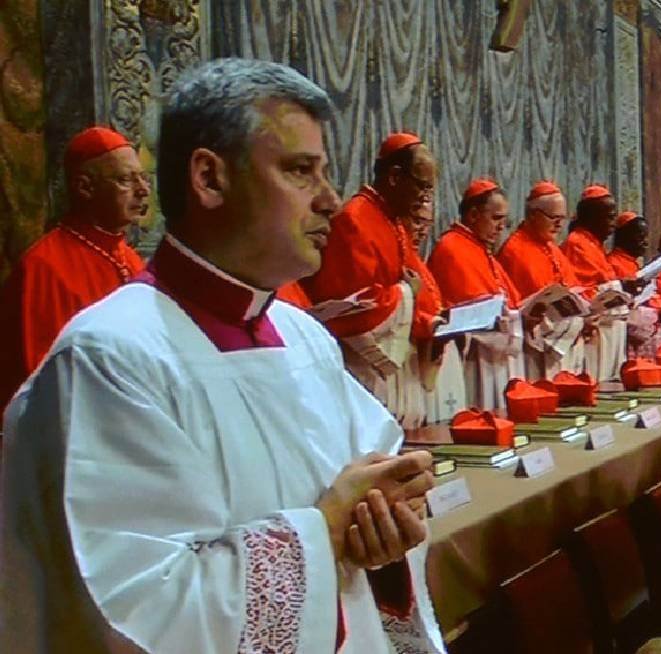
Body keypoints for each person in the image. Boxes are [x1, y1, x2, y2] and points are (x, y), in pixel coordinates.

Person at [0, 58, 446, 654]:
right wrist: (327, 529)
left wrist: (390, 524)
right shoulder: (110, 357)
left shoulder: (302, 334)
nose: (331, 202)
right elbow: (132, 612)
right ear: (209, 179)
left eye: (325, 173)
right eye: (299, 171)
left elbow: (380, 477)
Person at [0, 126, 149, 410]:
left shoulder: (130, 260)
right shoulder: (44, 269)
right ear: (85, 187)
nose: (142, 190)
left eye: (142, 178)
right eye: (125, 180)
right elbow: (40, 385)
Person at [302, 131, 434, 427]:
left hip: (397, 369)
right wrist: (406, 295)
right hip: (364, 370)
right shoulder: (355, 219)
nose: (425, 197)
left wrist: (430, 319)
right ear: (395, 177)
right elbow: (352, 307)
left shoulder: (393, 221)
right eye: (422, 186)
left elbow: (418, 285)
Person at [428, 178, 524, 411]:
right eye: (496, 218)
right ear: (472, 215)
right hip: (475, 359)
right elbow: (464, 312)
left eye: (505, 220)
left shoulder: (481, 249)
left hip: (496, 357)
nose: (502, 227)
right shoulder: (451, 248)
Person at [497, 181, 586, 379]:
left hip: (564, 343)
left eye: (562, 218)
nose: (559, 224)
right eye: (553, 217)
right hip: (535, 350)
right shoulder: (515, 250)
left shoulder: (552, 247)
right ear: (532, 215)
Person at [563, 185, 639, 381]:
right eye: (609, 216)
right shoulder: (576, 243)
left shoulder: (594, 244)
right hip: (598, 330)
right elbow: (584, 291)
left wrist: (622, 286)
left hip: (612, 329)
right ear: (590, 217)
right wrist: (620, 286)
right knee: (599, 381)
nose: (613, 223)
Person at [400, 200, 466, 424]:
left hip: (437, 351)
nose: (423, 230)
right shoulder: (401, 256)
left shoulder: (416, 258)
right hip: (415, 356)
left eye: (428, 224)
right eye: (417, 221)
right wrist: (431, 324)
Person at [609, 212, 661, 358]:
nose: (645, 242)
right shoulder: (613, 262)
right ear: (624, 237)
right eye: (640, 237)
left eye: (646, 237)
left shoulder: (632, 262)